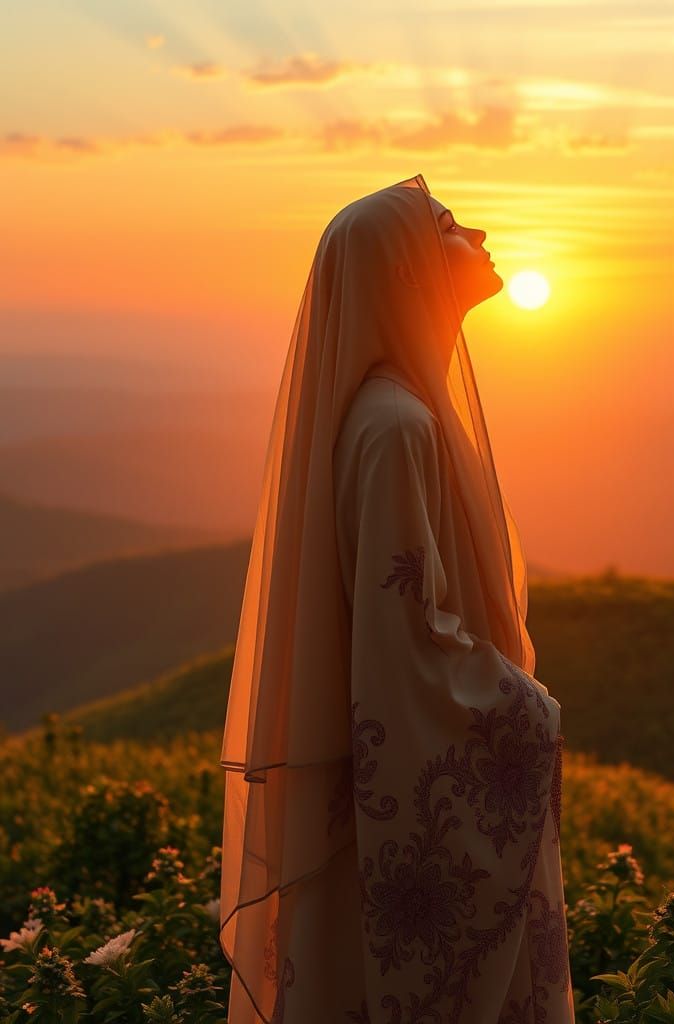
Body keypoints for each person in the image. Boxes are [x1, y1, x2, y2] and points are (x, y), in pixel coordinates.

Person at [218, 173, 574, 1023]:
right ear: (404, 269)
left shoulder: (399, 412)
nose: (479, 234)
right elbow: (403, 634)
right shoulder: (397, 426)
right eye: (449, 225)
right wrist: (525, 709)